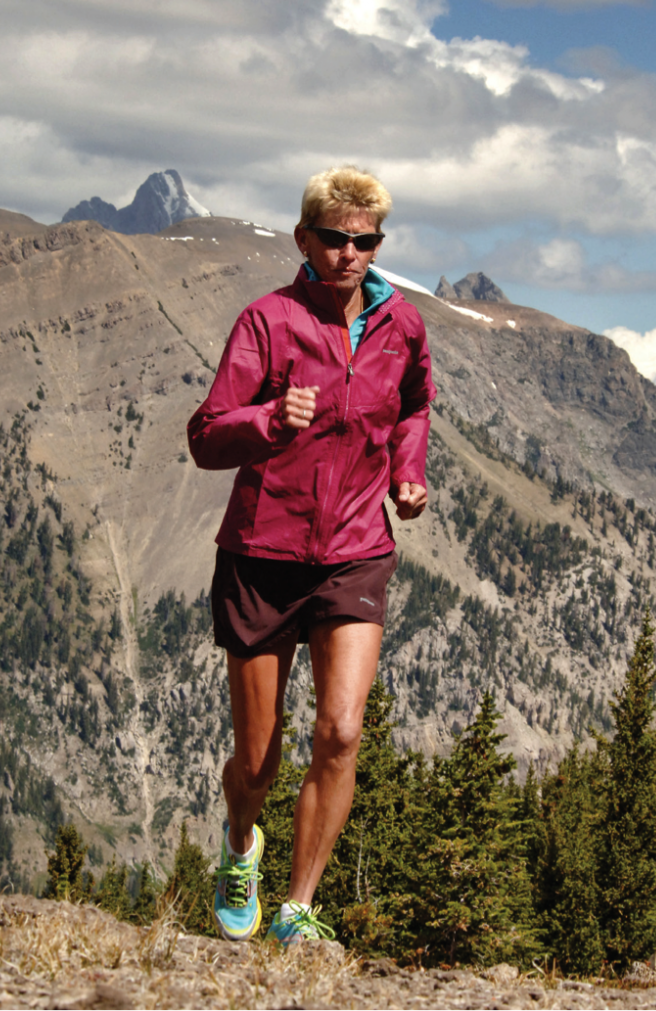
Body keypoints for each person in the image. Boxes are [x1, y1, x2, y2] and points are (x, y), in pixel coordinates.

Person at [187, 165, 435, 946]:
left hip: (356, 551)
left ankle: (296, 906)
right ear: (304, 239)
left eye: (364, 241)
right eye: (333, 239)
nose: (349, 254)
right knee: (256, 760)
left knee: (339, 732)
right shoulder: (267, 321)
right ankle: (239, 846)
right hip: (263, 552)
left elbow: (414, 404)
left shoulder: (404, 327)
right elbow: (204, 437)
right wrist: (267, 419)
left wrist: (408, 469)